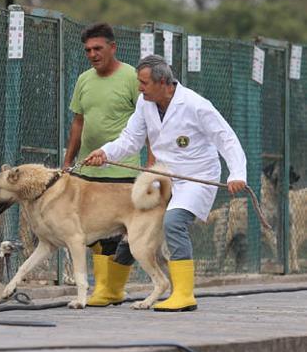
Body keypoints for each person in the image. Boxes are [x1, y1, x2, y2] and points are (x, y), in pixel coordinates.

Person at [84, 54, 247, 312]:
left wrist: (237, 173)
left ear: (163, 82)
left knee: (173, 222)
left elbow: (226, 138)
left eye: (144, 83)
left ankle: (183, 293)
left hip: (197, 178)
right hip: (164, 177)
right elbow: (130, 139)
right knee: (133, 227)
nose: (139, 88)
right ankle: (112, 289)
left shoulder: (195, 104)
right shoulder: (145, 103)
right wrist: (106, 152)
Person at [63, 22, 149, 307]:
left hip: (121, 171)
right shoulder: (84, 80)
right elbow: (78, 122)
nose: (92, 54)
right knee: (92, 236)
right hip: (87, 172)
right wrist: (68, 161)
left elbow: (148, 123)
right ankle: (107, 290)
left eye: (98, 48)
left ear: (113, 47)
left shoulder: (131, 78)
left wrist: (151, 164)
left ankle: (110, 289)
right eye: (87, 50)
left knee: (123, 236)